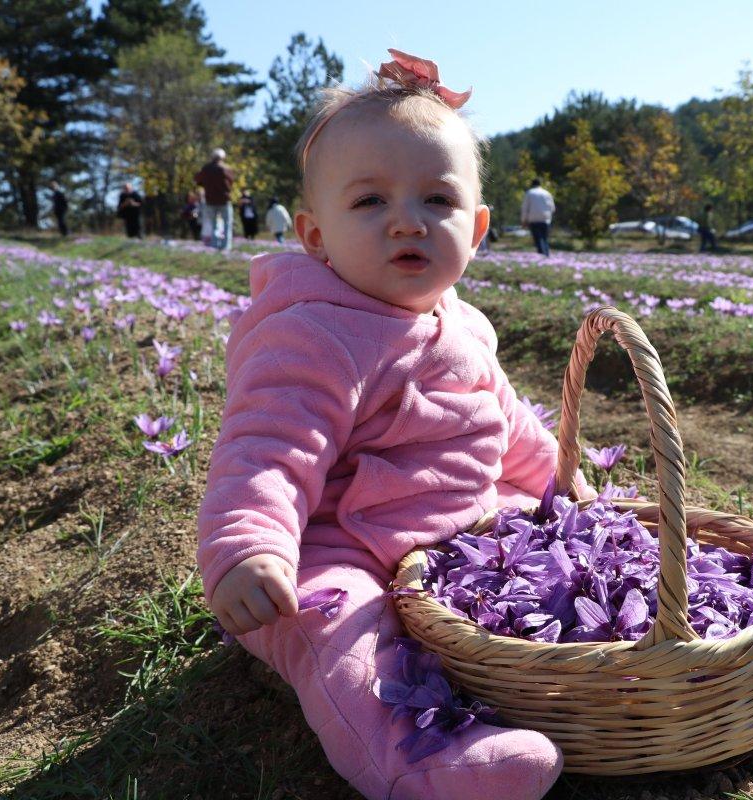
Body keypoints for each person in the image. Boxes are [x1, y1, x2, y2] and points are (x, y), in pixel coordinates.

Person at [197, 49, 586, 800]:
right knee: (335, 629)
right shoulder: (314, 333)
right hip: (342, 549)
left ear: (476, 229)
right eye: (370, 202)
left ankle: (575, 683)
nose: (407, 220)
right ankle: (415, 757)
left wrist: (563, 487)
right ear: (314, 236)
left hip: (458, 539)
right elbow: (266, 455)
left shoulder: (464, 323)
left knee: (560, 561)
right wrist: (249, 550)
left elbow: (509, 426)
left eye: (436, 201)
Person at [195, 148, 236, 251]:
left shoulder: (205, 169)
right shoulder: (226, 168)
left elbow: (197, 180)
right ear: (222, 157)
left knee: (214, 224)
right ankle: (226, 246)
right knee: (227, 223)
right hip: (224, 200)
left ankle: (214, 245)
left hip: (210, 200)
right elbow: (231, 182)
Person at [520, 178, 554, 256]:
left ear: (532, 184)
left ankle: (541, 255)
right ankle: (546, 254)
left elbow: (525, 208)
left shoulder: (529, 193)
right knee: (545, 238)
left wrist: (523, 220)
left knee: (538, 239)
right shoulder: (547, 193)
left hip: (534, 219)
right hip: (545, 219)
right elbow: (552, 208)